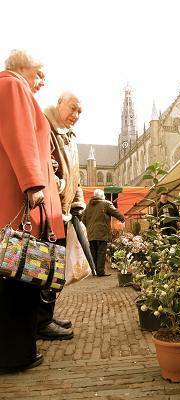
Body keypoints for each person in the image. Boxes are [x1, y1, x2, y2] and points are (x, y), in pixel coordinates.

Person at [0, 49, 65, 372]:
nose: (43, 81)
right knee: (18, 275)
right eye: (40, 74)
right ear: (22, 66)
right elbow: (19, 136)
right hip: (19, 201)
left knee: (18, 275)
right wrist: (33, 182)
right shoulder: (12, 85)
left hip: (19, 198)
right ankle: (15, 354)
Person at [36, 92, 87, 340]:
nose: (76, 116)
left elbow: (75, 175)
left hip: (63, 212)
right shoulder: (44, 125)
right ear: (59, 103)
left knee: (55, 270)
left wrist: (77, 204)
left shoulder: (69, 136)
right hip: (48, 211)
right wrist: (54, 182)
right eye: (73, 109)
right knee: (44, 268)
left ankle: (46, 316)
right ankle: (41, 322)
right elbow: (41, 163)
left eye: (80, 112)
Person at [82, 189, 125, 276]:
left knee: (93, 252)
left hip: (91, 233)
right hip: (102, 231)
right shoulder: (106, 204)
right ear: (102, 196)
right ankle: (100, 271)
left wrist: (89, 228)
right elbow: (115, 212)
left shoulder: (88, 206)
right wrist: (122, 218)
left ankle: (94, 271)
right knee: (101, 251)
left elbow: (83, 220)